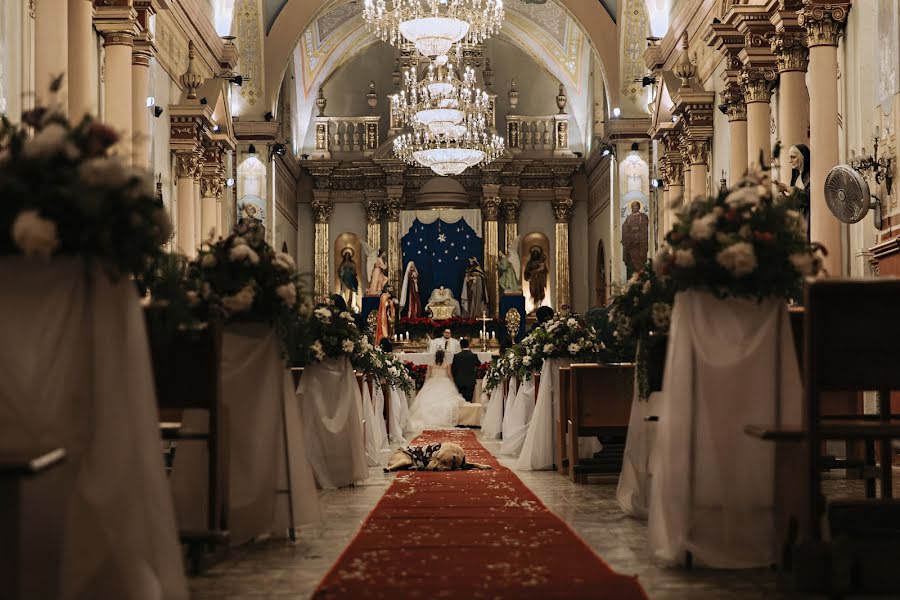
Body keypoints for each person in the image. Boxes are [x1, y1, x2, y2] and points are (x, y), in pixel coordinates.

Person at [405, 349, 463, 432]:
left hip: (432, 382)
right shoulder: (447, 364)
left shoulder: (431, 364)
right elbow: (450, 375)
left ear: (435, 356)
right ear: (443, 356)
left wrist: (425, 385)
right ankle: (442, 418)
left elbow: (427, 376)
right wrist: (453, 384)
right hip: (445, 383)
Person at [777, 144, 811, 240]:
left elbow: (806, 197)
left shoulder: (810, 175)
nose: (790, 161)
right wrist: (785, 198)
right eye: (789, 157)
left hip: (808, 219)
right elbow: (797, 200)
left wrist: (787, 188)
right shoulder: (797, 177)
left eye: (793, 157)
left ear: (803, 157)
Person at [621, 200, 649, 279]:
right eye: (633, 206)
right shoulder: (629, 218)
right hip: (630, 245)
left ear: (639, 207)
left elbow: (644, 230)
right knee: (631, 265)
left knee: (639, 265)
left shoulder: (642, 216)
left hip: (639, 245)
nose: (634, 207)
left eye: (636, 206)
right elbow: (625, 227)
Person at [451, 338, 480, 403]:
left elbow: (453, 369)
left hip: (459, 380)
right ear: (468, 345)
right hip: (470, 380)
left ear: (460, 346)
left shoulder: (456, 356)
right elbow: (478, 364)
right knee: (469, 400)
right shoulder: (473, 355)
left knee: (461, 400)